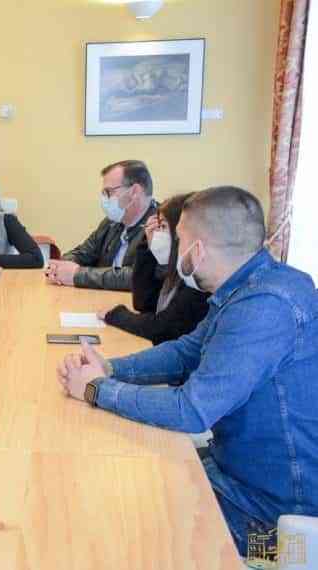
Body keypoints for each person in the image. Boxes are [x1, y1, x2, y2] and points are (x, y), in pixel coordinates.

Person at [56, 186, 318, 557]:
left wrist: (97, 389)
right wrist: (111, 368)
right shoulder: (252, 285)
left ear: (198, 250)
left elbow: (192, 410)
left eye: (179, 240)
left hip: (274, 527)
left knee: (120, 527)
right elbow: (185, 352)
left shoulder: (264, 307)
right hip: (237, 474)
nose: (175, 250)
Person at [97, 193, 210, 345]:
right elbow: (144, 304)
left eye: (162, 227)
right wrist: (148, 247)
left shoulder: (196, 280)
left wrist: (117, 315)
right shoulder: (175, 273)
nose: (157, 234)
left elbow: (161, 327)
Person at [47, 160, 157, 290]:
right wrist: (60, 267)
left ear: (134, 191)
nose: (104, 199)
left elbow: (136, 276)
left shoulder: (160, 225)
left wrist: (77, 275)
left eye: (109, 192)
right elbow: (82, 253)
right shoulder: (111, 223)